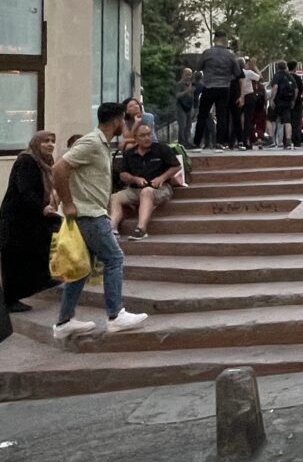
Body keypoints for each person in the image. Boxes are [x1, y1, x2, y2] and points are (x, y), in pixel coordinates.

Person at [51, 102, 148, 339]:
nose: (124, 125)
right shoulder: (91, 142)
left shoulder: (101, 144)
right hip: (89, 214)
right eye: (123, 121)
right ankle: (115, 315)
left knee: (84, 269)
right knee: (114, 258)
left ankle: (64, 322)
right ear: (116, 120)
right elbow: (59, 169)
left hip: (92, 212)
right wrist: (69, 203)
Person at [0, 132, 61, 313]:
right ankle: (10, 299)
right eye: (46, 141)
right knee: (15, 258)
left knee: (41, 245)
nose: (50, 145)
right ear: (36, 143)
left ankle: (42, 279)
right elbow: (24, 190)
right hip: (16, 217)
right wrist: (43, 207)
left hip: (32, 216)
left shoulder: (45, 163)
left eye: (52, 141)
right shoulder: (27, 161)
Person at [109, 124, 180, 240]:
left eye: (149, 134)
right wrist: (135, 179)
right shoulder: (129, 153)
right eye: (143, 136)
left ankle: (141, 229)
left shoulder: (162, 149)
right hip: (134, 189)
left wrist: (161, 178)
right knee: (115, 197)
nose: (147, 138)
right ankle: (112, 228)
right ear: (136, 138)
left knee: (146, 192)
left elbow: (176, 167)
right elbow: (123, 175)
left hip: (159, 189)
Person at [194, 31, 241, 150]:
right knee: (222, 116)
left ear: (215, 40)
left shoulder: (207, 53)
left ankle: (197, 142)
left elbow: (198, 67)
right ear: (225, 40)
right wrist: (228, 77)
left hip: (209, 86)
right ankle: (220, 142)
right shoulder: (230, 55)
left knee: (203, 114)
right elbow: (237, 72)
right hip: (224, 87)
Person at [270, 62, 298, 148]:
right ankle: (288, 142)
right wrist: (293, 100)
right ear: (286, 67)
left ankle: (272, 140)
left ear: (278, 67)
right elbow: (296, 89)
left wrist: (272, 99)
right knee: (287, 121)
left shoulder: (276, 75)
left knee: (271, 119)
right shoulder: (290, 76)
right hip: (287, 102)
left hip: (278, 101)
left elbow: (275, 87)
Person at [237, 58, 261, 148]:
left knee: (236, 119)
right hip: (249, 96)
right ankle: (246, 140)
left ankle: (234, 141)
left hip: (237, 96)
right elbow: (259, 77)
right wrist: (255, 67)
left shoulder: (234, 73)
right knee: (248, 119)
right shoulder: (248, 73)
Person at [174, 67, 195, 146]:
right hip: (181, 107)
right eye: (186, 74)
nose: (188, 76)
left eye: (190, 75)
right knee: (182, 125)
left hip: (189, 106)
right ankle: (182, 141)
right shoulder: (180, 84)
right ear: (183, 74)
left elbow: (192, 97)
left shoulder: (190, 84)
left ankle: (187, 141)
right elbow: (177, 95)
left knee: (188, 126)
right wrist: (187, 91)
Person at [288, 62, 303, 148]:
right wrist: (302, 100)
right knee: (296, 123)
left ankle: (287, 141)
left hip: (286, 103)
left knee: (287, 122)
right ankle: (297, 142)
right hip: (297, 103)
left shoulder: (285, 77)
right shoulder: (297, 78)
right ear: (295, 68)